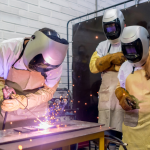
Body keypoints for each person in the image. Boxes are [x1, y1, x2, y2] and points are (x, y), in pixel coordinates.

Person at [0, 28, 69, 129]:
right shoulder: (7, 49)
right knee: (10, 141)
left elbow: (48, 91)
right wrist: (3, 92)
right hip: (10, 110)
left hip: (37, 110)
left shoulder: (56, 63)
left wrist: (25, 101)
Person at [89, 9, 126, 149]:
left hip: (122, 96)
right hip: (105, 97)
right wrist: (112, 59)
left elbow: (130, 66)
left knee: (122, 136)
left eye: (113, 26)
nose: (110, 30)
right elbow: (93, 67)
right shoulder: (102, 45)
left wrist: (106, 65)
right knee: (105, 134)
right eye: (107, 27)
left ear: (122, 24)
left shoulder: (130, 41)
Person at [115, 26, 150, 149]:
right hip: (131, 124)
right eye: (127, 50)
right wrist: (122, 97)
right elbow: (119, 87)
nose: (131, 54)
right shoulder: (126, 66)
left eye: (133, 49)